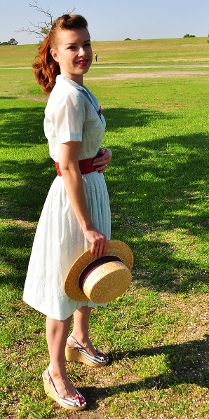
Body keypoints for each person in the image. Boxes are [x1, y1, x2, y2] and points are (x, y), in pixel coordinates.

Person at [24, 14, 113, 411]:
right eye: (72, 46)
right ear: (55, 53)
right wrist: (88, 225)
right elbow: (67, 166)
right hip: (73, 202)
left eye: (86, 44)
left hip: (90, 189)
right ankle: (55, 371)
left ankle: (81, 340)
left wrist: (101, 155)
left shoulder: (81, 90)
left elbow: (82, 154)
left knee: (85, 276)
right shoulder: (66, 97)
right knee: (65, 286)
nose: (82, 53)